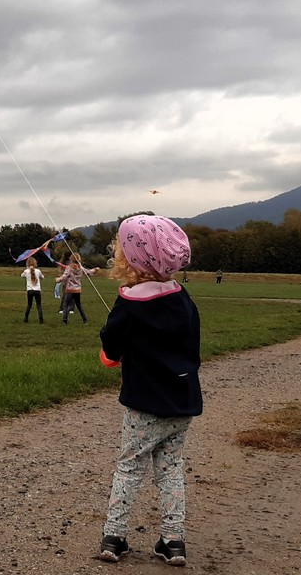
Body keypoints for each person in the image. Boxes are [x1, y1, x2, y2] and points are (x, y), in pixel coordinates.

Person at [97, 215, 202, 567]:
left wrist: (110, 356)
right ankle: (173, 542)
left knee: (129, 467)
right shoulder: (183, 299)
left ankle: (114, 537)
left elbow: (110, 347)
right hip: (182, 402)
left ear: (129, 259)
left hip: (144, 405)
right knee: (170, 468)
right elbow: (192, 349)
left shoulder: (129, 303)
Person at [54, 253, 99, 324]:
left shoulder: (69, 268)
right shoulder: (80, 268)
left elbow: (65, 276)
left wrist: (58, 279)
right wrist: (95, 270)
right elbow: (88, 272)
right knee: (79, 305)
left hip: (69, 290)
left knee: (65, 305)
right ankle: (85, 320)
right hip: (77, 290)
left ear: (71, 259)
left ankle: (64, 320)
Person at [20, 257, 45, 323]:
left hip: (30, 290)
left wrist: (27, 269)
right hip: (37, 290)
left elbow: (21, 276)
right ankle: (41, 319)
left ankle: (25, 319)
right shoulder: (38, 271)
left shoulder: (26, 271)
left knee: (29, 305)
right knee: (38, 305)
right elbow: (42, 277)